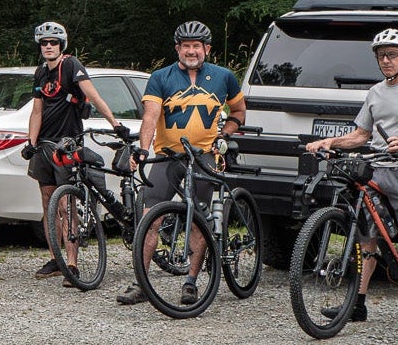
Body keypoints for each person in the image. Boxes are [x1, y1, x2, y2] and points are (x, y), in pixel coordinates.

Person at [304, 29, 398, 336]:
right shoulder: (375, 92)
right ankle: (357, 304)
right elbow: (361, 135)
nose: (386, 61)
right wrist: (330, 141)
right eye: (381, 55)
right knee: (367, 241)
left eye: (392, 55)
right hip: (376, 171)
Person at [117, 21, 247, 306]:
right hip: (168, 155)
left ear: (206, 49)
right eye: (185, 46)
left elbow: (239, 111)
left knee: (198, 219)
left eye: (196, 46)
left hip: (203, 155)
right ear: (177, 49)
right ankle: (141, 283)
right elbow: (151, 116)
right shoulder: (161, 77)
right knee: (149, 218)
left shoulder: (224, 77)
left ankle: (191, 282)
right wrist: (143, 149)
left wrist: (224, 134)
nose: (191, 51)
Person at [21, 21, 127, 280]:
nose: (48, 46)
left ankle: (72, 262)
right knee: (48, 202)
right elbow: (37, 111)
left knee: (66, 203)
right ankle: (55, 258)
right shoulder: (40, 72)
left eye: (53, 42)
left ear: (62, 45)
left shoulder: (71, 65)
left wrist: (115, 124)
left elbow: (95, 96)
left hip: (68, 143)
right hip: (45, 144)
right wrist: (31, 142)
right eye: (44, 43)